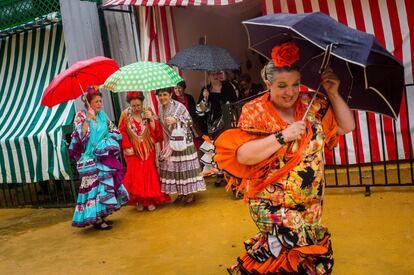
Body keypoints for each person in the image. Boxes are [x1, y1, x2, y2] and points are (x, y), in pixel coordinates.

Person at [214, 42, 355, 274]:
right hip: (271, 202)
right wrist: (283, 135)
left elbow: (346, 126)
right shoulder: (255, 110)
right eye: (282, 86)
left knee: (286, 258)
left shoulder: (314, 104)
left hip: (310, 203)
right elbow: (244, 155)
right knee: (305, 251)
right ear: (268, 84)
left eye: (296, 84)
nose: (290, 92)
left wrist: (332, 92)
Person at [69, 86, 129, 230]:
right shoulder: (81, 116)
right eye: (96, 101)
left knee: (103, 187)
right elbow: (80, 138)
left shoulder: (103, 116)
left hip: (103, 157)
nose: (99, 104)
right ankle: (95, 219)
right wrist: (87, 121)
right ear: (88, 103)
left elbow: (113, 130)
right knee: (94, 189)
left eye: (100, 101)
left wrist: (107, 141)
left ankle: (102, 216)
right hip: (91, 159)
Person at [118, 91, 170, 212]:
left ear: (142, 103)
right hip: (132, 150)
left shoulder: (148, 112)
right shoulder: (125, 115)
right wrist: (127, 146)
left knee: (148, 173)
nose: (136, 108)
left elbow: (157, 133)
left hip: (147, 148)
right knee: (136, 175)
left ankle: (150, 200)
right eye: (133, 106)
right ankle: (140, 200)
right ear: (129, 104)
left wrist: (151, 119)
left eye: (138, 105)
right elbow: (121, 131)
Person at [157, 88, 206, 205]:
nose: (162, 97)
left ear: (170, 94)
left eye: (165, 94)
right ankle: (181, 193)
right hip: (171, 143)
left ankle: (190, 193)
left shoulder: (179, 106)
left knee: (185, 166)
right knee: (176, 168)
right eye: (160, 95)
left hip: (183, 142)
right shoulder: (160, 109)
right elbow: (162, 125)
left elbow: (189, 121)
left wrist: (176, 119)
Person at [196, 71, 238, 183]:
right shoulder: (205, 90)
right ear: (208, 76)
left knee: (227, 150)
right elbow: (200, 111)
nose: (215, 76)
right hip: (212, 125)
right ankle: (220, 174)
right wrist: (204, 99)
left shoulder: (228, 86)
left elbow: (235, 104)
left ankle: (231, 175)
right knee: (215, 150)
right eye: (212, 74)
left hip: (227, 123)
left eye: (217, 73)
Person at [172, 81, 202, 149]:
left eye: (179, 88)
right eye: (175, 88)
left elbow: (194, 111)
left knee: (195, 143)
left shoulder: (189, 97)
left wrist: (194, 121)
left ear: (183, 88)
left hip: (191, 123)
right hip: (180, 125)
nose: (177, 90)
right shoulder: (173, 100)